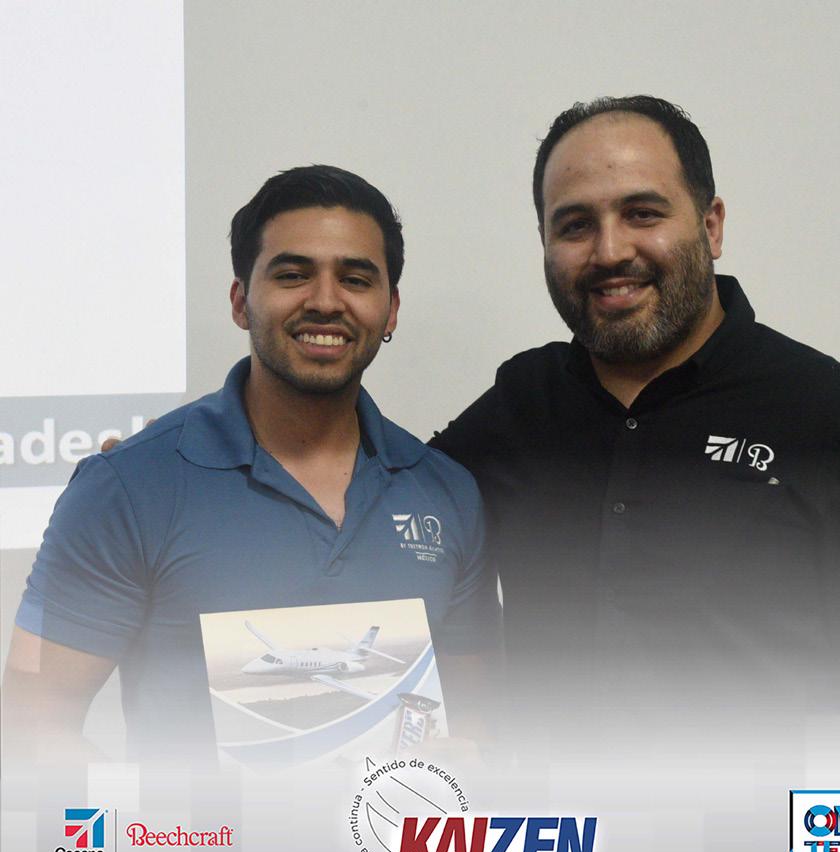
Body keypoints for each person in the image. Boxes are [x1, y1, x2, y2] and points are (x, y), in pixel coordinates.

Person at [431, 96, 840, 761]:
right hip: (557, 827)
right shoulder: (521, 404)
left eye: (643, 213)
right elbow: (379, 502)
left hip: (760, 826)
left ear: (712, 225)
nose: (610, 251)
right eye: (576, 225)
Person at [3, 165, 499, 765]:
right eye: (292, 275)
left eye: (355, 279)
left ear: (390, 310)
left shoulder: (447, 494)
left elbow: (475, 722)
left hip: (387, 827)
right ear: (241, 302)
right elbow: (31, 726)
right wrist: (139, 816)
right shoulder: (125, 488)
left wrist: (463, 772)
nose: (325, 301)